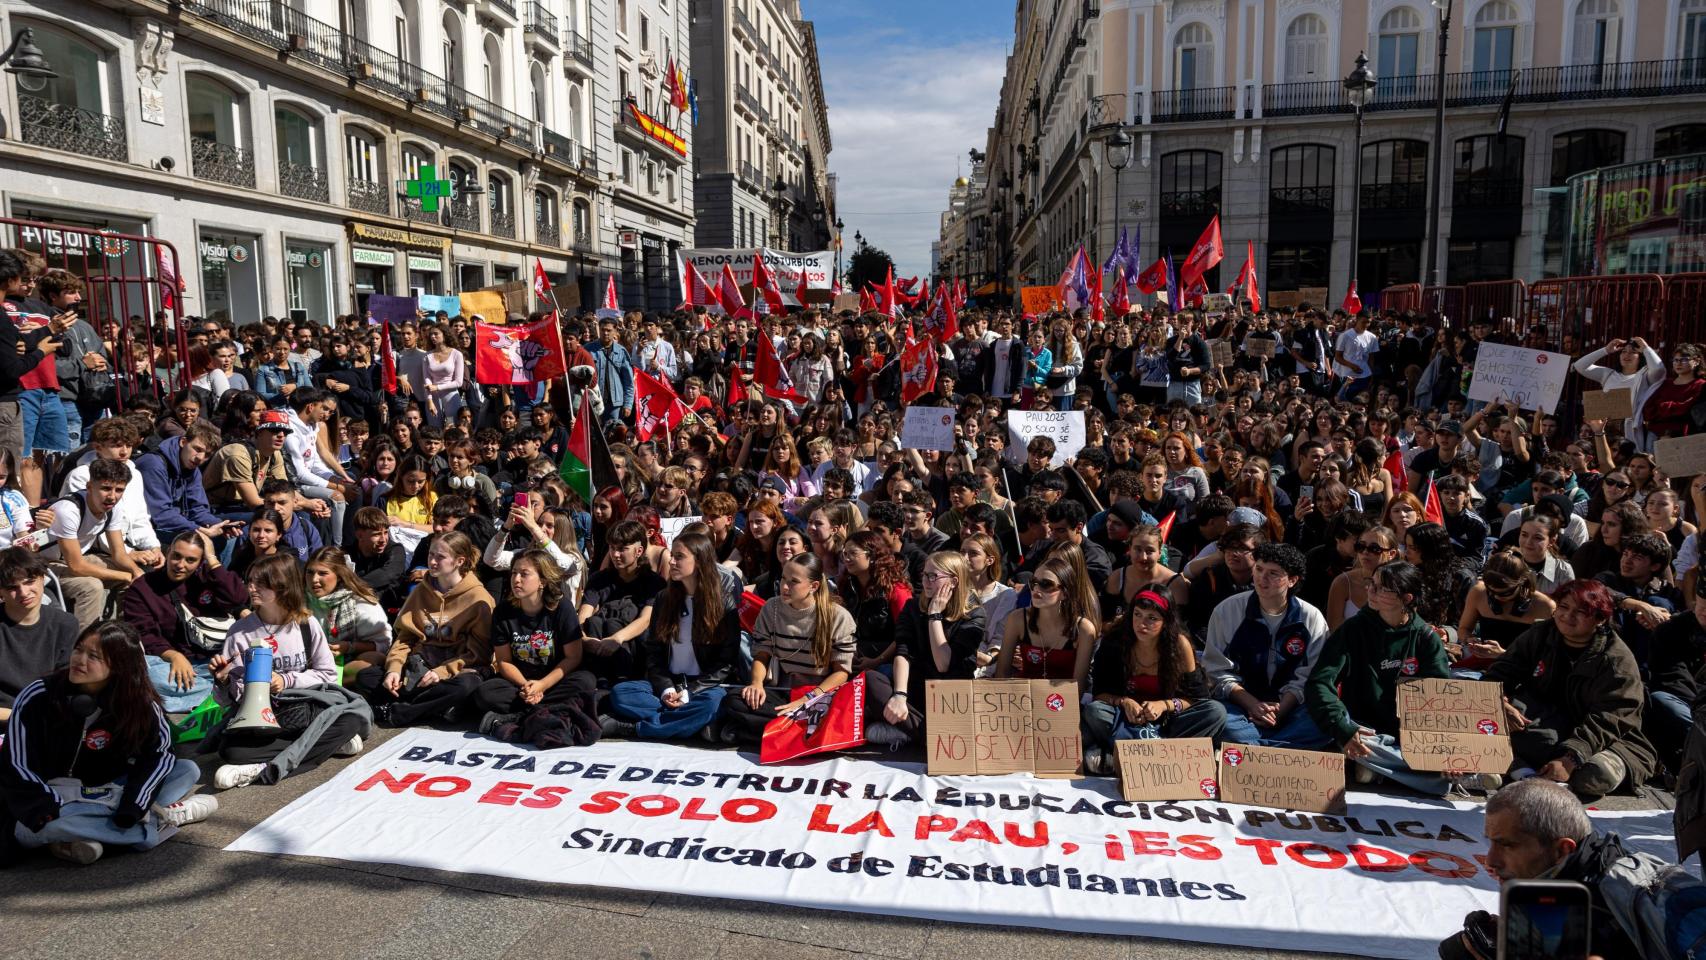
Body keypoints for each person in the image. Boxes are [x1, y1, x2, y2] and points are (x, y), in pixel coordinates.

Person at [0, 621, 215, 865]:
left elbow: (159, 754)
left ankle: (85, 836)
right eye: (78, 649)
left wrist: (132, 805)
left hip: (107, 790)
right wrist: (51, 806)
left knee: (185, 770)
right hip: (48, 802)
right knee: (42, 827)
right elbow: (15, 766)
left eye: (94, 656)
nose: (79, 660)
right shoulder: (38, 695)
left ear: (119, 667)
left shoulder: (139, 703)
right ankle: (159, 820)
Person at [1439, 779, 1678, 960]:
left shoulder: (1609, 907)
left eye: (1507, 845)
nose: (1490, 860)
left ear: (1562, 849)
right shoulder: (1574, 875)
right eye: (1491, 842)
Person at [1482, 579, 1658, 800]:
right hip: (1544, 723)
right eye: (1563, 607)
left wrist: (1571, 758)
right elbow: (1498, 675)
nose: (1567, 616)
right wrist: (1501, 705)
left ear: (1600, 619)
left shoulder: (1616, 661)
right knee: (1490, 723)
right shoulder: (1540, 634)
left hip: (1605, 739)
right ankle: (1524, 772)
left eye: (1581, 611)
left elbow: (1611, 719)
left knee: (1594, 775)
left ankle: (1515, 767)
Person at [209, 553, 368, 789]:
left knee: (351, 720)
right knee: (231, 751)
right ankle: (326, 744)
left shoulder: (306, 624)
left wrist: (286, 680)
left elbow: (328, 675)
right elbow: (228, 702)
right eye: (250, 581)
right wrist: (223, 681)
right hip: (265, 717)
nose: (251, 588)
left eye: (260, 583)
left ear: (282, 586)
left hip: (305, 707)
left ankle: (263, 768)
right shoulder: (240, 632)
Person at [1305, 561, 1456, 795]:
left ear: (1406, 598)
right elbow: (1320, 683)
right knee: (1358, 741)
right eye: (1371, 584)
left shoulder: (1426, 637)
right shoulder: (1353, 630)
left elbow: (1439, 698)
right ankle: (1423, 775)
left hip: (1412, 735)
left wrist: (1446, 749)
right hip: (1365, 730)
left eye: (1381, 588)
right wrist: (1341, 727)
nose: (1370, 592)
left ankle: (1381, 770)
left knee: (1451, 765)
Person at [606, 531, 742, 741]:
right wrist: (666, 689)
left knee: (712, 704)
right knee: (621, 693)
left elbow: (726, 662)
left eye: (679, 556)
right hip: (670, 683)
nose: (671, 561)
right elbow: (654, 652)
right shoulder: (664, 598)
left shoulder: (723, 603)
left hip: (704, 687)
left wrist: (690, 692)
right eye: (672, 555)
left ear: (699, 561)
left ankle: (634, 728)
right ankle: (689, 723)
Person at [355, 531, 495, 727]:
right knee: (367, 677)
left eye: (441, 557)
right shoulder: (422, 589)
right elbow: (406, 637)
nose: (433, 561)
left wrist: (443, 672)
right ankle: (437, 707)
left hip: (453, 671)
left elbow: (480, 653)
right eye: (431, 554)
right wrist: (394, 669)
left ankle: (402, 712)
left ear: (459, 561)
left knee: (466, 686)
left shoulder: (478, 599)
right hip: (420, 664)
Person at [1082, 589, 1228, 774]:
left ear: (1166, 621)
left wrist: (1164, 705)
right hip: (1126, 721)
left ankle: (1126, 756)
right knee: (1094, 712)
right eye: (1137, 614)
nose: (1142, 623)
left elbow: (1198, 699)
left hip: (1169, 723)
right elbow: (1099, 694)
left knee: (1216, 712)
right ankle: (1165, 759)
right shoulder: (1115, 642)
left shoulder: (1179, 645)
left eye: (1152, 618)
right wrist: (1124, 702)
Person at [1202, 543, 1332, 749]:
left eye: (1273, 573)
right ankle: (1279, 749)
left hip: (1290, 707)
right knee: (1214, 716)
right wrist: (1252, 704)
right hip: (1241, 705)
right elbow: (1216, 670)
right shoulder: (1227, 610)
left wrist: (1281, 710)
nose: (1262, 578)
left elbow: (1310, 676)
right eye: (1259, 569)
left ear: (1292, 580)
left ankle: (1253, 749)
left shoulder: (1311, 617)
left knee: (1327, 719)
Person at [719, 553, 856, 744]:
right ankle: (795, 733)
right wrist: (757, 684)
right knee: (733, 700)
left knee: (837, 715)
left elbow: (841, 673)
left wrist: (808, 699)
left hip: (820, 696)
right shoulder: (771, 608)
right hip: (784, 692)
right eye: (783, 578)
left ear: (813, 586)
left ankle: (753, 733)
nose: (784, 586)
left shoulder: (838, 616)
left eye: (793, 582)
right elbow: (762, 653)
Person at [474, 549, 600, 747]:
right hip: (520, 684)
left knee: (585, 682)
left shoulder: (562, 608)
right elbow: (504, 661)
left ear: (542, 581)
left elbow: (573, 657)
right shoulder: (502, 612)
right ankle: (550, 710)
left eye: (524, 574)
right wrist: (526, 686)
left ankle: (520, 716)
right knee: (485, 692)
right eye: (514, 573)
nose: (516, 579)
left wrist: (542, 685)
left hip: (554, 680)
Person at [866, 551, 988, 747]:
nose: (926, 581)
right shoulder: (913, 606)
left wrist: (935, 616)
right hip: (917, 690)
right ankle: (925, 735)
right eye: (924, 575)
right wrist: (899, 695)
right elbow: (903, 653)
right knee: (871, 679)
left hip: (951, 697)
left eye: (934, 576)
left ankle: (916, 734)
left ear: (954, 582)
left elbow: (943, 664)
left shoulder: (974, 614)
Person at [121, 530, 247, 709]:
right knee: (141, 674)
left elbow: (237, 598)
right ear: (168, 551)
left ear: (200, 561)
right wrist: (174, 656)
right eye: (176, 556)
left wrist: (212, 559)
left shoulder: (208, 576)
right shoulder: (142, 587)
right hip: (171, 664)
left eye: (190, 560)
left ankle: (206, 696)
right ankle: (220, 696)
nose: (180, 565)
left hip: (218, 661)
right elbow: (143, 634)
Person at [42, 456, 143, 629]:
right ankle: (83, 646)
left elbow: (119, 554)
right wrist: (126, 576)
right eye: (106, 488)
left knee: (138, 575)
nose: (112, 496)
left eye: (119, 490)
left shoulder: (114, 508)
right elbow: (77, 567)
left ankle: (125, 637)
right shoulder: (68, 510)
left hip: (73, 560)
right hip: (46, 566)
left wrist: (136, 572)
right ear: (89, 486)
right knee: (92, 586)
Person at [577, 518, 665, 684]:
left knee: (613, 624)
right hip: (597, 646)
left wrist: (617, 639)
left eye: (623, 549)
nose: (615, 555)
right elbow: (583, 617)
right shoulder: (599, 579)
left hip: (632, 649)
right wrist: (585, 640)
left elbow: (645, 620)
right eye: (612, 548)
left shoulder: (654, 583)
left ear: (639, 551)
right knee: (594, 622)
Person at [0, 547, 79, 722]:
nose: (23, 592)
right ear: (1, 591)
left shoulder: (65, 624)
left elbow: (67, 684)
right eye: (12, 587)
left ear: (43, 578)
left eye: (29, 582)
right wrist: (20, 716)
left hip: (48, 717)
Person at [994, 556, 1097, 686]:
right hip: (1024, 697)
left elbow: (1078, 686)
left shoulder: (1084, 629)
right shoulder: (1017, 619)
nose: (1036, 589)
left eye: (1046, 584)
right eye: (1033, 582)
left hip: (1063, 700)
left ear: (1065, 592)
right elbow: (1002, 673)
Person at [1454, 549, 1555, 674]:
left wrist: (1502, 654)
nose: (1496, 597)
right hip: (1484, 664)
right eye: (1491, 592)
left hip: (1522, 669)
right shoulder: (1478, 592)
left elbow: (1545, 656)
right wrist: (1470, 640)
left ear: (1522, 582)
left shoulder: (1544, 606)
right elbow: (1464, 629)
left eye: (1505, 593)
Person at [304, 546, 391, 686]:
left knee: (373, 659)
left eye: (322, 573)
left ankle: (330, 684)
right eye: (310, 572)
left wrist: (349, 647)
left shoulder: (361, 603)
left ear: (339, 576)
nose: (314, 579)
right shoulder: (299, 600)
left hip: (346, 662)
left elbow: (383, 644)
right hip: (308, 662)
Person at [1326, 525, 1401, 630]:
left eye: (1374, 548)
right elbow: (1334, 630)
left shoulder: (1401, 584)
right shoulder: (1342, 582)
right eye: (1361, 547)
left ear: (1391, 554)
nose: (1365, 552)